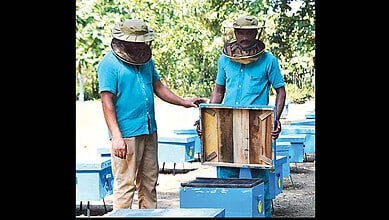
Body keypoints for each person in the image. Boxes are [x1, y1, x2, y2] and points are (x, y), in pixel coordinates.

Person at [97, 18, 206, 211]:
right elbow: (107, 102)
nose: (141, 45)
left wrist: (184, 102)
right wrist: (116, 136)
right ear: (125, 41)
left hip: (148, 128)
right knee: (125, 184)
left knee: (149, 183)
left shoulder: (146, 61)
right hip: (127, 133)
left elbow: (158, 87)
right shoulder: (109, 64)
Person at [195, 15, 286, 217]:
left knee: (260, 177)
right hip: (226, 125)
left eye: (249, 32)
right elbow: (218, 91)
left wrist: (276, 119)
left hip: (257, 126)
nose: (244, 37)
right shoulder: (224, 60)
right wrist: (206, 117)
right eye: (240, 32)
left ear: (257, 33)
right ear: (234, 33)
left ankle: (264, 214)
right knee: (226, 176)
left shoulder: (269, 60)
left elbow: (280, 90)